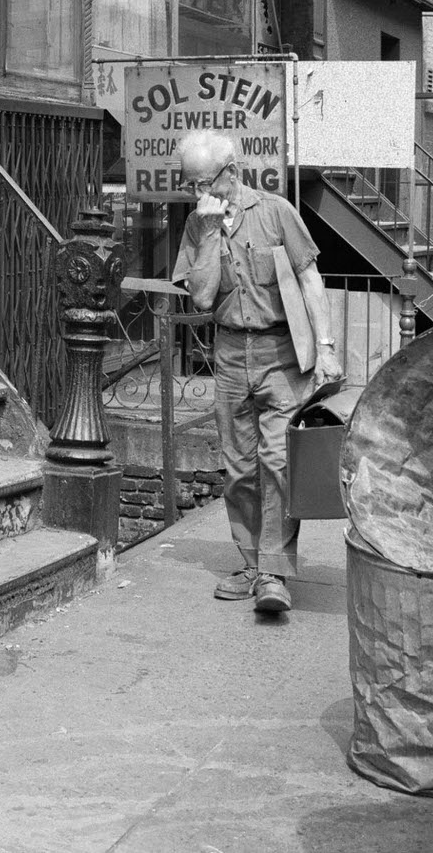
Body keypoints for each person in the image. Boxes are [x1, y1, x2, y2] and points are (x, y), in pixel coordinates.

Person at [173, 131, 344, 615]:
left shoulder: (276, 211)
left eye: (205, 183)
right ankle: (250, 562)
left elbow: (311, 280)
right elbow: (203, 297)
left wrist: (326, 347)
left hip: (281, 354)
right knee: (239, 469)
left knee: (278, 462)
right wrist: (207, 235)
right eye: (190, 186)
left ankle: (273, 572)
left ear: (233, 171)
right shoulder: (196, 226)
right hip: (229, 356)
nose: (199, 194)